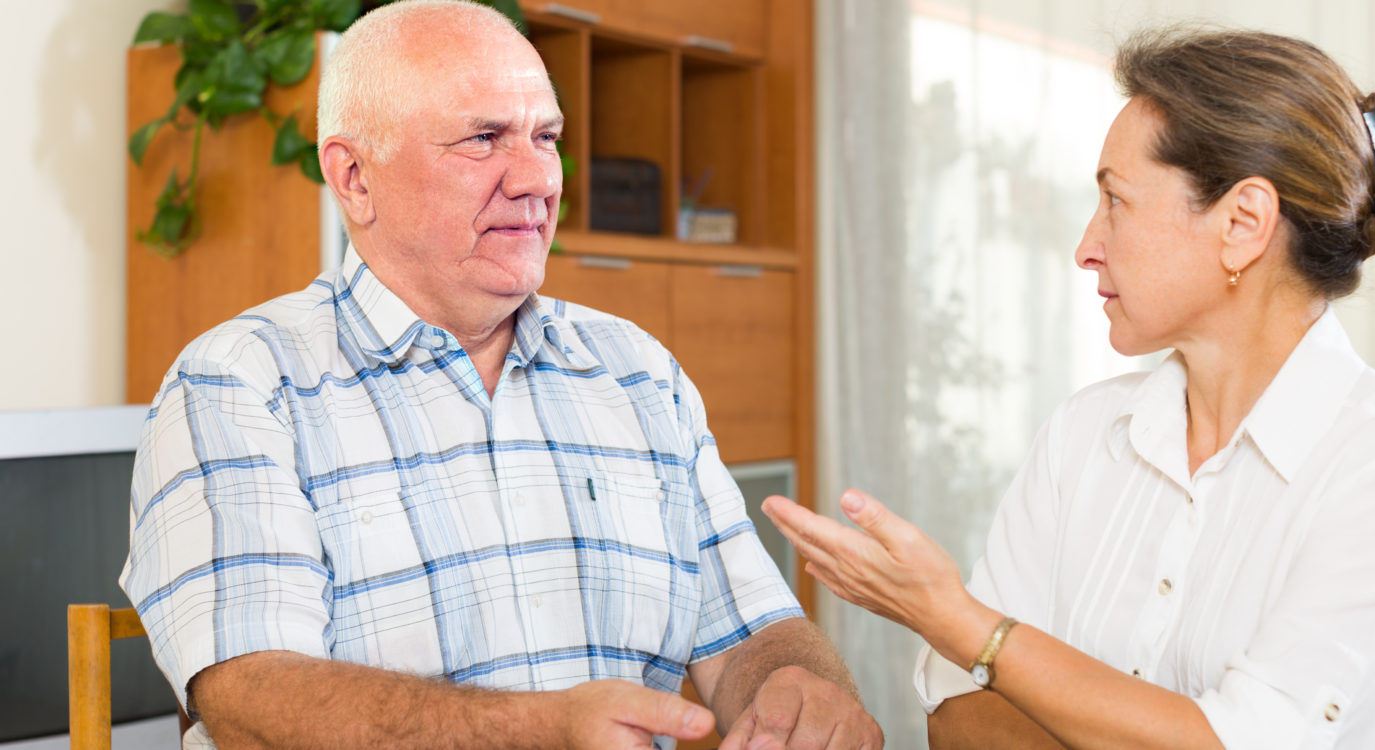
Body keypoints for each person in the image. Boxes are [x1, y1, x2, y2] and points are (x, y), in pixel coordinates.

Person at [119, 1, 882, 748]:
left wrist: (799, 691)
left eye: (545, 136)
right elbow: (253, 699)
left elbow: (752, 631)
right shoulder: (237, 385)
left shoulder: (638, 373)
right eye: (484, 139)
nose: (537, 180)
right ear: (353, 176)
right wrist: (539, 732)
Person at [764, 26, 1375, 750]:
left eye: (1117, 202)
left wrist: (963, 624)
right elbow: (958, 712)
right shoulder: (1083, 435)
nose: (1085, 246)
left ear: (1243, 223)